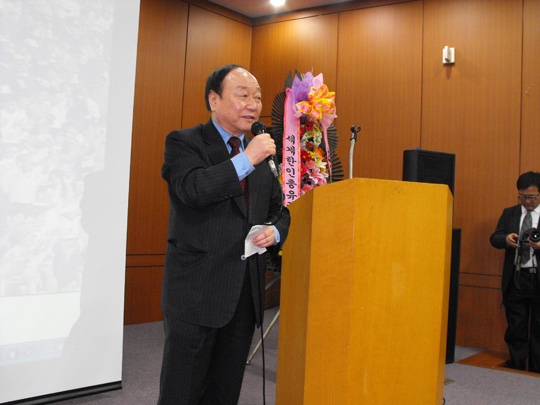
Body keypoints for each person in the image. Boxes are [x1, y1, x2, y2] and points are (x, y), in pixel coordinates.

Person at [158, 64, 290, 404]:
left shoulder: (261, 152)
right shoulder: (184, 142)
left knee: (224, 393)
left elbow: (280, 209)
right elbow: (193, 189)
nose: (253, 105)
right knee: (181, 393)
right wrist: (246, 159)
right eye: (243, 95)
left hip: (243, 296)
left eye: (257, 97)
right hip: (196, 293)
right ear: (213, 100)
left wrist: (275, 231)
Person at [490, 171, 540, 372]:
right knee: (516, 326)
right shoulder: (509, 213)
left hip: (538, 278)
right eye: (523, 196)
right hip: (516, 278)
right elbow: (494, 238)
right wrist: (506, 240)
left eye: (532, 197)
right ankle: (517, 367)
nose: (527, 201)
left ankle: (536, 369)